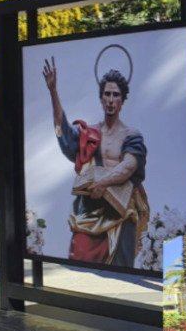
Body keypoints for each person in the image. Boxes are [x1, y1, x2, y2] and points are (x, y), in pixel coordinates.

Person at [43, 56, 148, 267]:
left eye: (115, 95)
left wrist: (103, 182)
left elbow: (128, 166)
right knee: (80, 258)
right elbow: (64, 132)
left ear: (122, 100)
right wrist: (53, 92)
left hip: (121, 211)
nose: (110, 99)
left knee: (121, 271)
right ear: (101, 99)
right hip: (91, 210)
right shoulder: (90, 133)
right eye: (107, 94)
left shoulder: (131, 135)